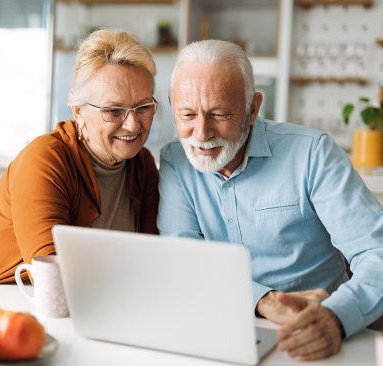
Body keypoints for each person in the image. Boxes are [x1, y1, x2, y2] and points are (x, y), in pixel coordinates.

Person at [158, 39, 383, 361]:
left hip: (318, 334)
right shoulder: (174, 161)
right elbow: (183, 260)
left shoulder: (312, 153)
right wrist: (264, 300)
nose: (201, 133)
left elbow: (377, 251)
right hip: (221, 335)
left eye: (219, 114)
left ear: (253, 108)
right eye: (188, 114)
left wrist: (336, 317)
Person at [0, 29, 160, 290]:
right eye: (113, 110)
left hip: (70, 313)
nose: (132, 125)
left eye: (143, 107)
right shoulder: (45, 159)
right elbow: (53, 281)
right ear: (79, 112)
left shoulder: (143, 165)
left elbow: (153, 260)